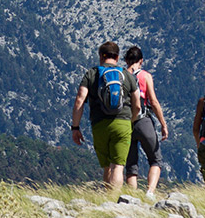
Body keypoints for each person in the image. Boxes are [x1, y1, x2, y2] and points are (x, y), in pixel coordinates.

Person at [71, 41, 141, 188]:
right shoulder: (126, 75)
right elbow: (137, 105)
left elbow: (79, 100)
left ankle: (106, 200)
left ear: (101, 56)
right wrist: (130, 122)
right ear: (117, 57)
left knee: (107, 167)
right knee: (118, 166)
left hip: (99, 124)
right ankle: (114, 204)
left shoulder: (92, 74)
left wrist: (75, 127)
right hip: (122, 123)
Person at [124, 45, 169, 198]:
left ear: (126, 60)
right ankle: (150, 192)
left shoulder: (120, 75)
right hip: (143, 120)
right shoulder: (145, 76)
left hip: (125, 123)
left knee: (131, 165)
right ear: (141, 61)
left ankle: (132, 197)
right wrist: (163, 124)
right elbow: (154, 102)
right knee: (155, 159)